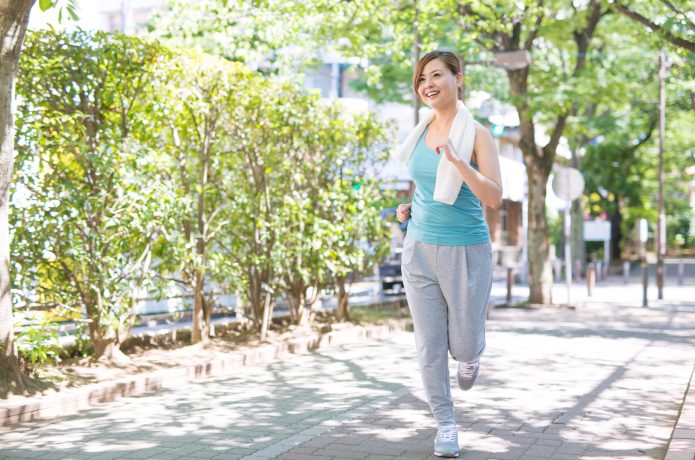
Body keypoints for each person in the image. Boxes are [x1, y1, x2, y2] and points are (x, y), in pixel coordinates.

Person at [395, 50, 503, 458]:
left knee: (463, 342)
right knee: (429, 345)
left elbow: (493, 197)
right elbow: (428, 183)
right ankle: (445, 424)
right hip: (419, 247)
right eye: (422, 78)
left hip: (465, 251)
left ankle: (472, 354)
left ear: (459, 79)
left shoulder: (478, 135)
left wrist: (460, 164)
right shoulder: (421, 130)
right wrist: (409, 205)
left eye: (436, 75)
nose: (427, 84)